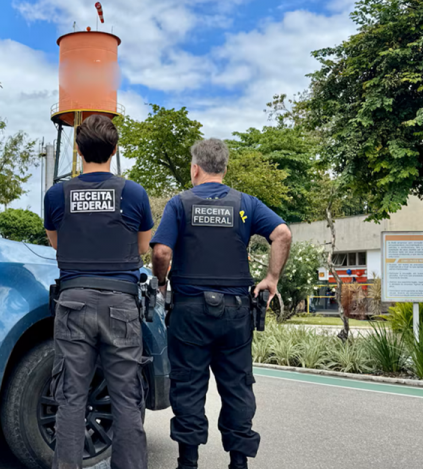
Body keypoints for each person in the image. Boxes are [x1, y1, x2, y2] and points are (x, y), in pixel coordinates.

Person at [151, 139, 292, 469]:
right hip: (235, 312)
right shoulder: (245, 204)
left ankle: (188, 462)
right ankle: (238, 463)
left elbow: (161, 251)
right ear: (224, 169)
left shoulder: (179, 204)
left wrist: (161, 282)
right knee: (237, 387)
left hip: (189, 312)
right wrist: (271, 279)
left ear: (194, 168)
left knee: (188, 386)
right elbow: (282, 234)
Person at [44, 114, 153, 469]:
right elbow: (143, 247)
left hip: (73, 302)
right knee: (126, 399)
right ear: (115, 149)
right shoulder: (133, 193)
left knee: (71, 398)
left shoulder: (56, 195)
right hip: (121, 304)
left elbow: (56, 243)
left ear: (77, 150)